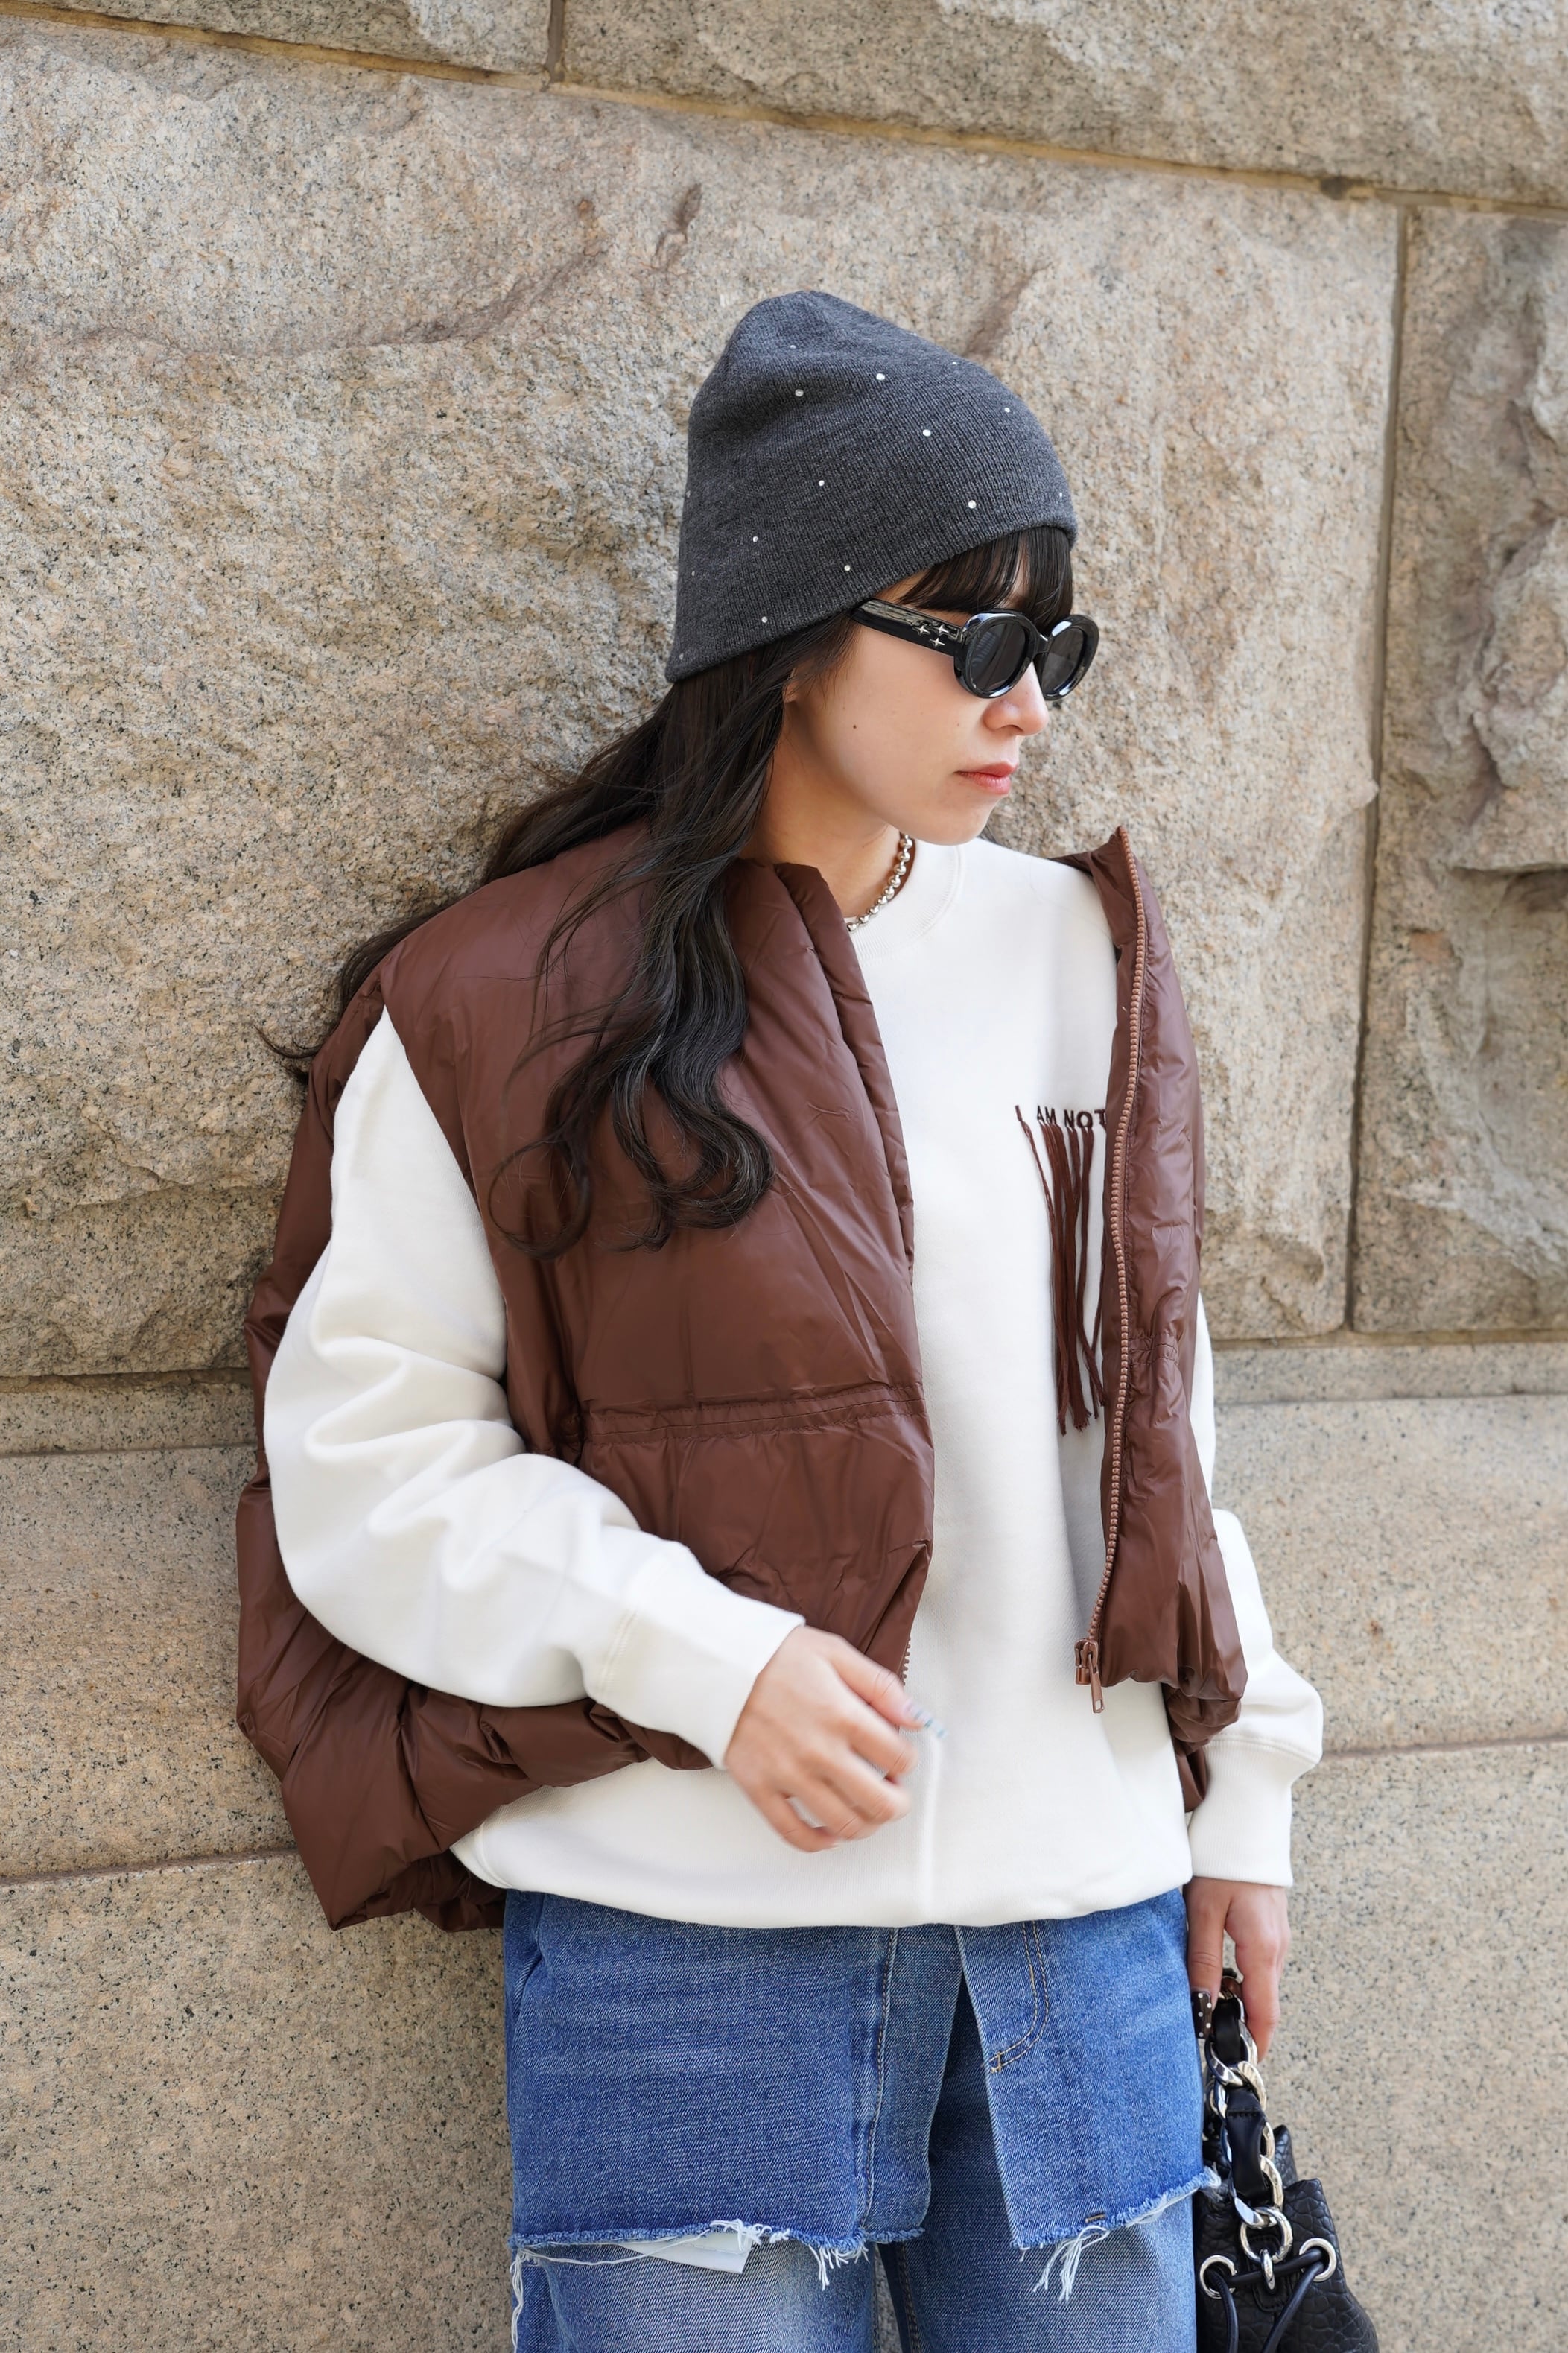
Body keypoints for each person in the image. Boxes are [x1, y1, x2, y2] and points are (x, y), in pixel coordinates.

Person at [247, 291, 1322, 2352]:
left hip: (1084, 1927)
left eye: (1062, 645)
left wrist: (1242, 1799)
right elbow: (368, 1462)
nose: (1029, 705)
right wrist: (706, 1659)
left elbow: (1153, 1423)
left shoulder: (1077, 955)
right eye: (977, 639)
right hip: (690, 1943)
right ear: (793, 627)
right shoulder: (505, 995)